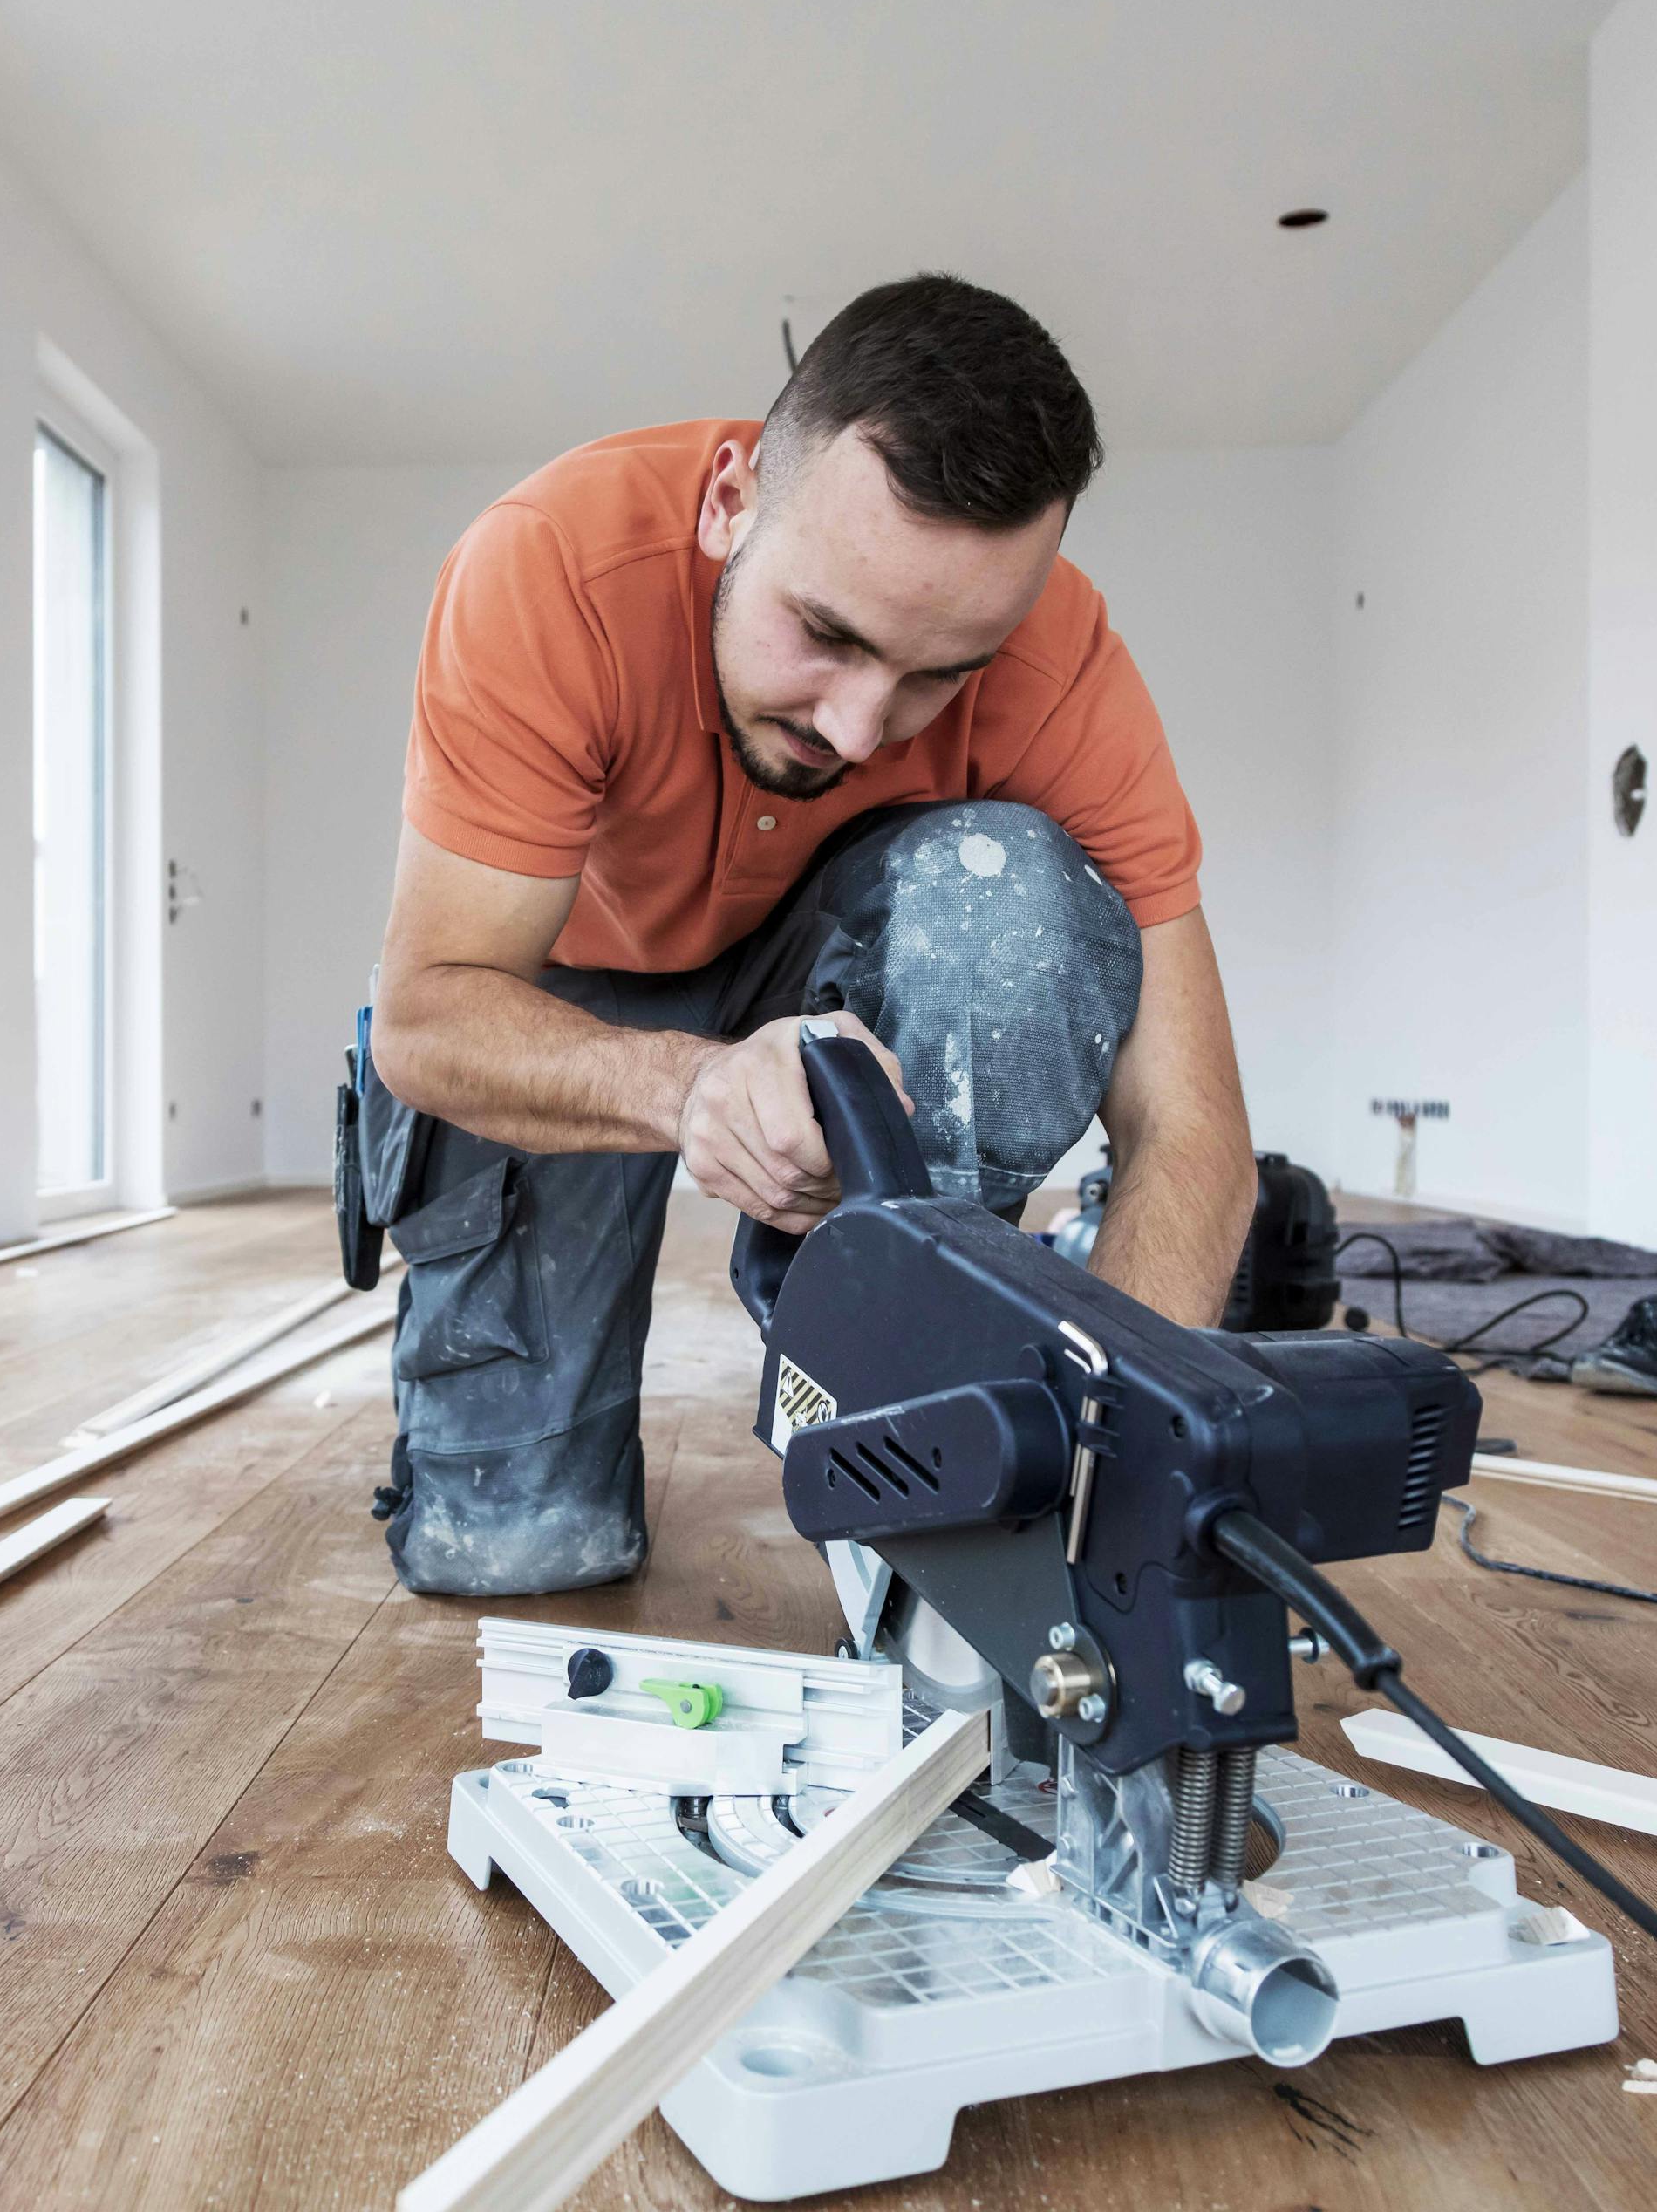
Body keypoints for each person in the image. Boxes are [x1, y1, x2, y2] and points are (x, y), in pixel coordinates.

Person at [344, 274, 1257, 1596]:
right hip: (560, 992)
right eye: (826, 633)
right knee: (518, 1546)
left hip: (825, 957)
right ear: (730, 504)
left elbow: (1195, 1123)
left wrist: (1118, 1484)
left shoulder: (1060, 666)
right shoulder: (549, 568)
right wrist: (697, 1082)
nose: (859, 729)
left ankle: (913, 1369)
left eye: (940, 675)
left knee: (1010, 897)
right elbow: (430, 1013)